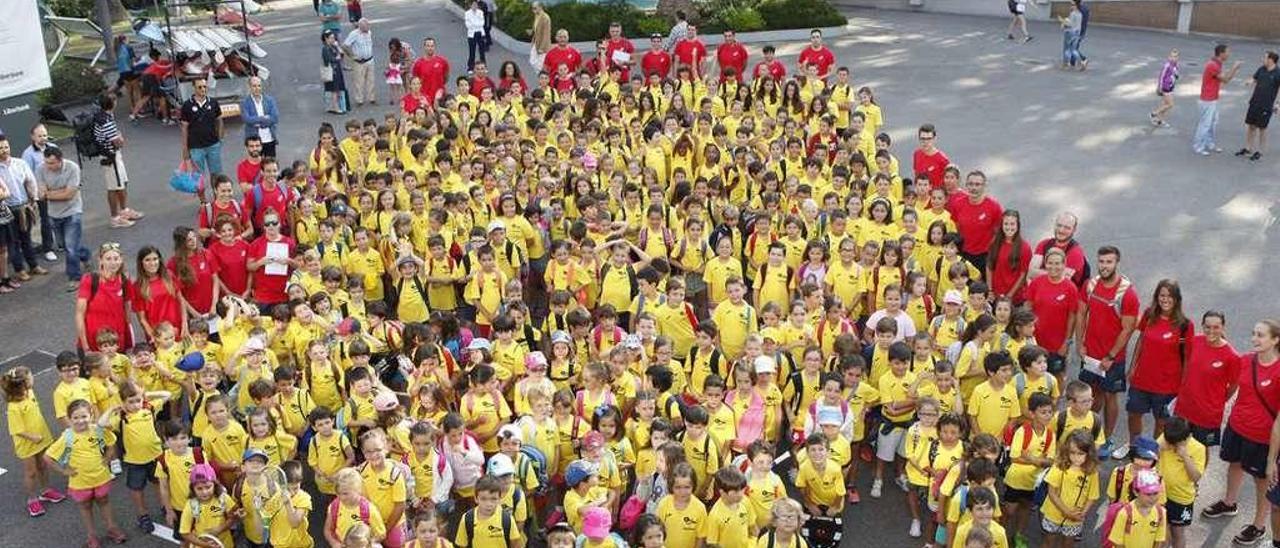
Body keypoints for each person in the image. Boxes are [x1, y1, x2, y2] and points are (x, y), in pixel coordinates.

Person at [1201, 319, 1280, 547]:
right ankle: (1229, 503)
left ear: (1275, 340)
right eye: (1254, 333)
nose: (1254, 339)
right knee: (1234, 464)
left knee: (1262, 481)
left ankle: (1258, 525)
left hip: (1262, 437)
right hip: (1237, 426)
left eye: (1261, 335)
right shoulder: (1245, 360)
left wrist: (1272, 457)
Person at [1074, 245, 1139, 461]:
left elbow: (1128, 328)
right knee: (1092, 393)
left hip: (1112, 359)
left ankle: (1107, 438)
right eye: (1101, 262)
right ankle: (1088, 433)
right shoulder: (1090, 285)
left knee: (1111, 396)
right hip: (1090, 354)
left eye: (1109, 262)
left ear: (1116, 263)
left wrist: (1110, 357)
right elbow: (1082, 314)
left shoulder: (1127, 293)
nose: (1104, 266)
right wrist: (1080, 344)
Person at [34, 147, 91, 292]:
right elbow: (41, 194)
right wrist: (59, 192)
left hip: (73, 211)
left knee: (70, 247)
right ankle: (85, 255)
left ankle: (74, 278)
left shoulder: (72, 168)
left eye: (52, 163)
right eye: (47, 163)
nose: (49, 166)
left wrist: (50, 193)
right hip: (54, 213)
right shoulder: (41, 169)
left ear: (60, 160)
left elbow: (69, 194)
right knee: (64, 244)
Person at [0, 134, 48, 285]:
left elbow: (30, 181)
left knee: (26, 238)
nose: (4, 150)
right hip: (8, 211)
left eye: (6, 147)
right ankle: (20, 269)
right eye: (0, 148)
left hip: (24, 207)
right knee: (13, 242)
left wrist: (33, 199)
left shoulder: (19, 163)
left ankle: (33, 265)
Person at [92, 94, 143, 228]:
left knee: (121, 183)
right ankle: (115, 218)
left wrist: (119, 138)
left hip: (113, 156)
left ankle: (124, 210)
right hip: (110, 157)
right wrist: (120, 138)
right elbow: (118, 142)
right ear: (112, 103)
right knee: (113, 187)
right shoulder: (106, 121)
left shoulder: (105, 116)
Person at [946, 170, 1002, 272]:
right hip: (963, 254)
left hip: (985, 256)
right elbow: (956, 227)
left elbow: (999, 232)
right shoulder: (958, 204)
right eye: (971, 184)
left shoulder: (994, 207)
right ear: (966, 185)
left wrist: (992, 250)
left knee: (984, 287)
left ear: (984, 186)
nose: (974, 188)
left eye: (977, 184)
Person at [1194, 44, 1243, 156]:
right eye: (1227, 52)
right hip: (1207, 99)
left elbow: (1223, 79)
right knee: (1205, 124)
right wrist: (1234, 68)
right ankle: (1198, 146)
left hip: (1213, 98)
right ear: (1221, 53)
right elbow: (1225, 80)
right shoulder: (1213, 65)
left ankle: (1209, 143)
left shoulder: (1217, 64)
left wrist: (1232, 70)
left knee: (1212, 123)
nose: (1229, 54)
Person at [21, 123, 59, 261]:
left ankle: (61, 243)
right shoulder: (28, 154)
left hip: (57, 189)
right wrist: (33, 195)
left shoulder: (54, 148)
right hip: (41, 192)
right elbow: (27, 176)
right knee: (47, 220)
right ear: (33, 137)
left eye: (44, 134)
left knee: (60, 216)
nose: (43, 138)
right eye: (39, 135)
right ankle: (48, 248)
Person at [179, 77, 225, 187]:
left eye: (205, 87)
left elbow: (219, 120)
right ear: (194, 88)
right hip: (196, 147)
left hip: (213, 145)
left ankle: (216, 199)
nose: (203, 89)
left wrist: (220, 138)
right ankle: (203, 201)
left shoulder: (213, 103)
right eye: (200, 87)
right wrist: (185, 149)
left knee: (216, 174)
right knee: (198, 177)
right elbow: (184, 128)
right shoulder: (187, 105)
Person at [1237, 50, 1280, 162]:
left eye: (1265, 58)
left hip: (1266, 105)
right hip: (1254, 102)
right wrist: (1249, 82)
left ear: (1271, 60)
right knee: (1251, 126)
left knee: (1262, 128)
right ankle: (1248, 148)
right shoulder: (1261, 69)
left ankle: (1260, 151)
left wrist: (1277, 104)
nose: (1263, 59)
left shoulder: (1278, 73)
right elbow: (1255, 78)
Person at [1027, 211, 1088, 287]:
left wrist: (1039, 273)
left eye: (1067, 228)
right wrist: (1055, 273)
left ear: (1074, 230)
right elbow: (1030, 272)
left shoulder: (1076, 253)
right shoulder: (1044, 244)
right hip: (1041, 291)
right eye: (1059, 225)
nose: (1061, 230)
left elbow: (1061, 281)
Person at [240, 77, 280, 158]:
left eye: (259, 86)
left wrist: (259, 123)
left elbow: (275, 118)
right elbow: (247, 119)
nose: (257, 88)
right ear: (250, 87)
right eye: (254, 86)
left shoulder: (270, 100)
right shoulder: (245, 102)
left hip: (269, 139)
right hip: (254, 142)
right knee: (256, 166)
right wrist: (264, 118)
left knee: (270, 165)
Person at [411, 37, 450, 106]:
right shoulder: (418, 63)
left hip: (440, 97)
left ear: (435, 47)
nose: (430, 48)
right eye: (428, 46)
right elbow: (415, 82)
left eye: (432, 46)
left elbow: (446, 78)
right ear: (424, 47)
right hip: (424, 98)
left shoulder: (443, 61)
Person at [912, 123, 949, 189]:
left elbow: (948, 184)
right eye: (923, 139)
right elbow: (916, 175)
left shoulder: (942, 160)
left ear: (934, 139)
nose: (925, 142)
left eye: (929, 139)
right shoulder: (917, 154)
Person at [323, 30, 350, 114]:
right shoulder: (325, 49)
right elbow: (328, 59)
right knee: (334, 90)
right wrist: (336, 58)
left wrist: (337, 46)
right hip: (332, 71)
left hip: (337, 69)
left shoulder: (333, 46)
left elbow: (341, 54)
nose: (333, 39)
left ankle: (340, 105)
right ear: (326, 39)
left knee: (338, 89)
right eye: (331, 38)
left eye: (333, 38)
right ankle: (335, 107)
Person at [1152, 49, 1179, 127]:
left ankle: (1160, 121)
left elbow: (1175, 75)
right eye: (1172, 56)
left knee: (1165, 105)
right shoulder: (1167, 65)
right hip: (1165, 87)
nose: (1174, 58)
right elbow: (1161, 76)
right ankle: (1154, 114)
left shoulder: (1175, 65)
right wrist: (1159, 87)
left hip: (1171, 87)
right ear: (1169, 57)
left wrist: (1176, 76)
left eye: (1176, 56)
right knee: (1170, 104)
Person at [1058, 0, 1085, 70]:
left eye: (1073, 5)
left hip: (1070, 33)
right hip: (1077, 33)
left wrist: (1062, 20)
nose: (1071, 6)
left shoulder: (1073, 13)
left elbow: (1070, 24)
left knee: (1066, 49)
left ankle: (1065, 64)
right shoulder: (1080, 14)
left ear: (1076, 6)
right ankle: (1082, 63)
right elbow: (1078, 25)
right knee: (1073, 50)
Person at [465, 1, 487, 72]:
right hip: (472, 34)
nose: (475, 6)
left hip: (480, 33)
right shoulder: (467, 13)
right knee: (472, 51)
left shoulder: (480, 12)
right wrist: (476, 24)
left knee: (482, 51)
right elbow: (468, 25)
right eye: (473, 5)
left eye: (476, 5)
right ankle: (470, 67)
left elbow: (482, 23)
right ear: (470, 5)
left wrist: (474, 23)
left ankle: (484, 67)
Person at [529, 2, 551, 71]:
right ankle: (542, 75)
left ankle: (543, 75)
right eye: (532, 8)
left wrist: (542, 48)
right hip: (536, 43)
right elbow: (536, 29)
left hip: (542, 46)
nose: (533, 10)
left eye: (535, 8)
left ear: (540, 7)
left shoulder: (545, 18)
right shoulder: (536, 16)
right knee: (532, 61)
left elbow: (546, 34)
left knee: (539, 63)